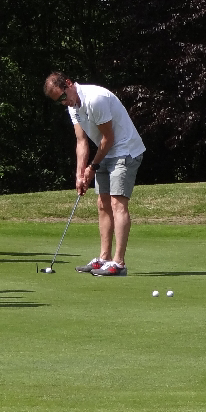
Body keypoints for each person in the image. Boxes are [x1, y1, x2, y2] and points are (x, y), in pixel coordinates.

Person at [43, 73, 146, 277]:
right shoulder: (74, 107)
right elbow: (81, 142)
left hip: (125, 150)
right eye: (59, 102)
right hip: (106, 151)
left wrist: (92, 167)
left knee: (118, 204)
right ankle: (103, 258)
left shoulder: (94, 99)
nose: (64, 103)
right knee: (102, 204)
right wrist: (79, 174)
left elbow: (108, 138)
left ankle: (119, 263)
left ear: (69, 84)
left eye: (63, 97)